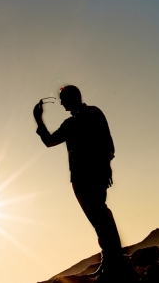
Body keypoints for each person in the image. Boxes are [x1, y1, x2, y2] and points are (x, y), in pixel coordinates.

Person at [33, 85, 127, 278]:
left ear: (73, 97)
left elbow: (107, 143)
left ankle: (114, 259)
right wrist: (38, 120)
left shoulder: (94, 113)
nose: (61, 103)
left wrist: (106, 167)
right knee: (95, 217)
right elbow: (50, 141)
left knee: (100, 213)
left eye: (63, 99)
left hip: (94, 173)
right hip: (78, 178)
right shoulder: (69, 124)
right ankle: (109, 258)